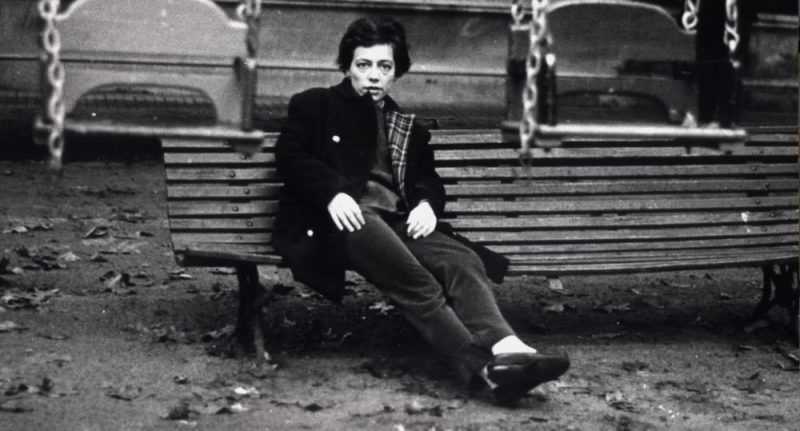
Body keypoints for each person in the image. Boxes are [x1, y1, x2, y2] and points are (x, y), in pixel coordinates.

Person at [272, 17, 569, 406]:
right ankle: (487, 374)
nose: (373, 75)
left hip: (397, 219)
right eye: (363, 65)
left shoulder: (406, 127)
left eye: (384, 66)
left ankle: (509, 348)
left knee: (462, 261)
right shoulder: (316, 104)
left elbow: (427, 179)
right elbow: (291, 155)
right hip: (342, 219)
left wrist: (427, 204)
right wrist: (331, 193)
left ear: (396, 72)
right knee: (416, 282)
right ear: (347, 66)